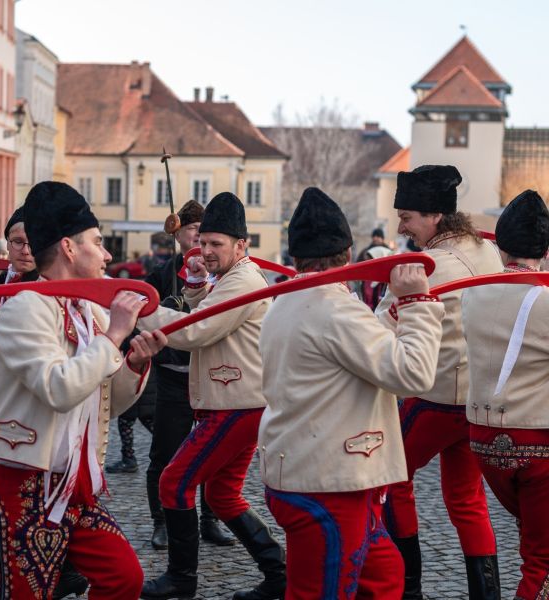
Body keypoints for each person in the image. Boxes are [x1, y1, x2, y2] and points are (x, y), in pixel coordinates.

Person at [0, 181, 166, 599]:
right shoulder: (25, 307)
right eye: (97, 242)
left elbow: (104, 402)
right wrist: (113, 337)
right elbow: (59, 389)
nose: (107, 255)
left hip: (73, 485)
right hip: (21, 483)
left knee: (124, 577)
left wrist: (133, 364)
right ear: (68, 247)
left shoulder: (89, 310)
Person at [259, 187, 445, 599]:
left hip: (315, 472)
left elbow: (354, 352)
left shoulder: (286, 301)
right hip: (328, 485)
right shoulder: (335, 307)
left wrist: (394, 315)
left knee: (384, 577)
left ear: (295, 257)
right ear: (347, 252)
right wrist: (417, 303)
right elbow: (413, 375)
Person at [138, 192, 285, 600]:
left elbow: (196, 330)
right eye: (202, 242)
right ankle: (279, 574)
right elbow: (210, 313)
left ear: (242, 245)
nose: (205, 251)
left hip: (234, 407)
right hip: (236, 402)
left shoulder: (243, 281)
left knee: (174, 482)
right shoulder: (235, 276)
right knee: (221, 495)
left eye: (216, 244)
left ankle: (181, 579)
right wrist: (198, 284)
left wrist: (141, 310)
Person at [376, 165, 503, 599]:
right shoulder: (487, 250)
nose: (400, 227)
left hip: (435, 398)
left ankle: (406, 588)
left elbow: (379, 331)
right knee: (467, 499)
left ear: (434, 216)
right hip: (477, 399)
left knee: (392, 478)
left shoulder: (423, 268)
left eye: (406, 217)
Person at [461, 190, 549, 600]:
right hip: (537, 441)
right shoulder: (545, 301)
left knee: (533, 540)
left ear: (500, 247)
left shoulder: (473, 293)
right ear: (545, 251)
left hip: (484, 439)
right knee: (542, 561)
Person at [143, 199, 234, 550]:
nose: (198, 237)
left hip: (211, 373)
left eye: (204, 231)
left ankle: (210, 520)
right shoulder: (162, 273)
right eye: (193, 229)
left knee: (214, 453)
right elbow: (145, 312)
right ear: (177, 233)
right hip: (173, 375)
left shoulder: (222, 274)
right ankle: (162, 522)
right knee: (165, 453)